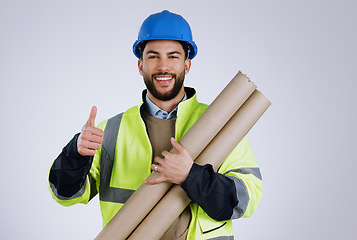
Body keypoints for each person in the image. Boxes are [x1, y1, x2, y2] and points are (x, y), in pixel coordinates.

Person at [48, 10, 263, 240]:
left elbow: (245, 201)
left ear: (186, 65)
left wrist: (191, 175)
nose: (163, 66)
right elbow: (66, 196)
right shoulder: (111, 130)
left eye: (173, 56)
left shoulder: (221, 123)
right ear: (140, 65)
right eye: (153, 56)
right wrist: (76, 153)